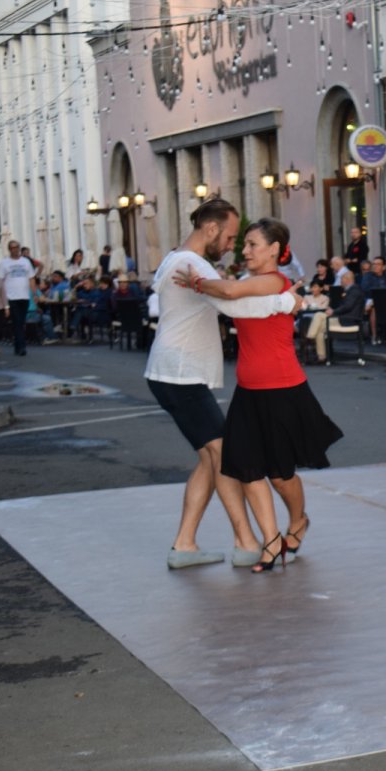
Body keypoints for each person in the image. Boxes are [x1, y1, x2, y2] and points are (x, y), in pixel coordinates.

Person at [174, 218, 342, 574]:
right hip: (248, 391)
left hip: (283, 388)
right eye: (244, 244)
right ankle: (270, 542)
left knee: (281, 475)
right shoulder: (253, 285)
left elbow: (230, 296)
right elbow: (231, 302)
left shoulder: (273, 281)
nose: (245, 251)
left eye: (252, 245)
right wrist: (207, 288)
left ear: (275, 251)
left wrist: (197, 282)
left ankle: (298, 522)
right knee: (248, 469)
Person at [144, 198, 304, 570]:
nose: (233, 246)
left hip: (171, 372)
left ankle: (185, 545)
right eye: (231, 237)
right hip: (179, 374)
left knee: (208, 459)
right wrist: (286, 302)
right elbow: (233, 306)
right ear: (211, 229)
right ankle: (247, 542)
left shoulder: (177, 258)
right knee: (225, 455)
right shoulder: (194, 264)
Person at [0, 239, 40, 357]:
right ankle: (21, 347)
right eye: (13, 248)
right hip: (11, 296)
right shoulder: (5, 263)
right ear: (9, 249)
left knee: (21, 322)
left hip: (24, 296)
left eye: (17, 247)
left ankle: (17, 345)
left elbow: (31, 278)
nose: (15, 250)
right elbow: (0, 280)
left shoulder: (25, 262)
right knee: (17, 321)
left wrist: (35, 293)